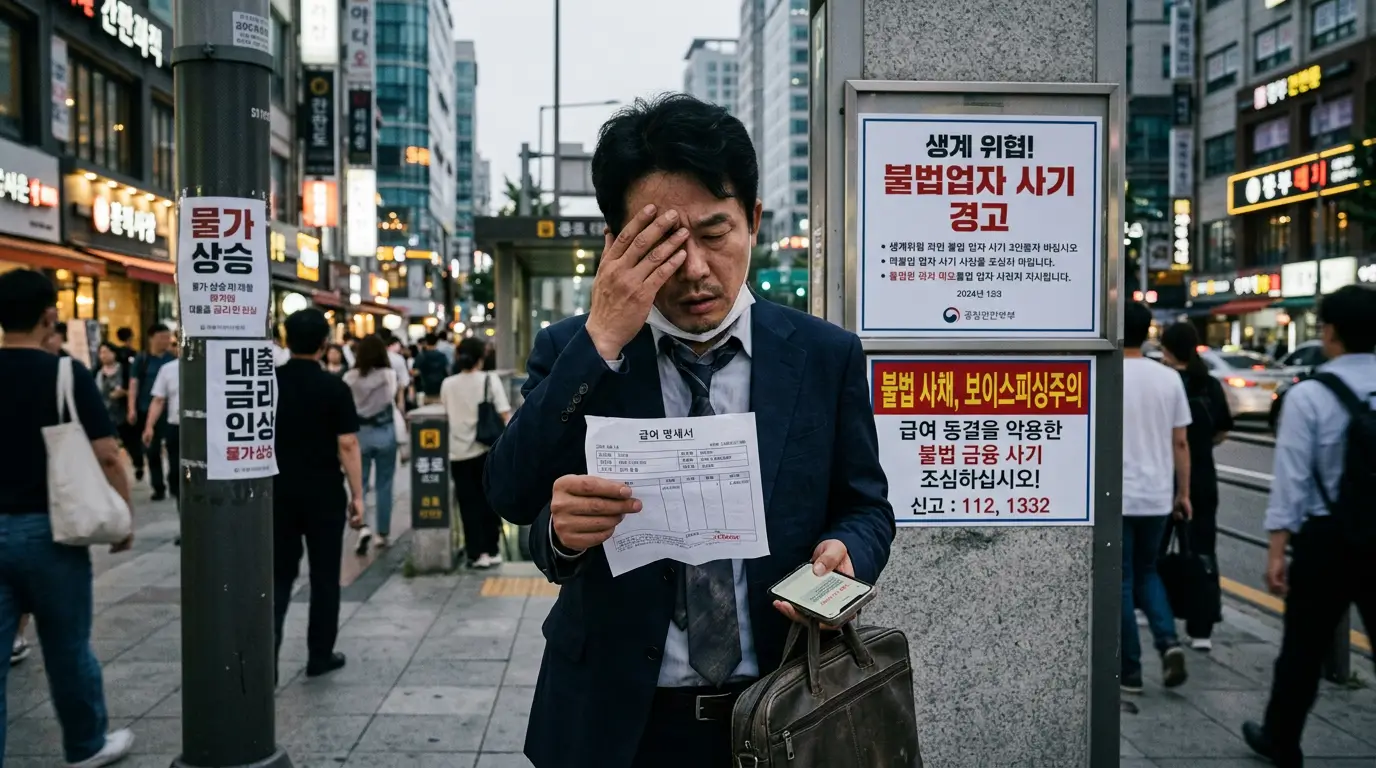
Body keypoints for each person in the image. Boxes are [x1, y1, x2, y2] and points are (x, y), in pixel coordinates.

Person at [483, 94, 896, 768]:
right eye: (666, 243)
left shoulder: (823, 355)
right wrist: (561, 531)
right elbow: (510, 495)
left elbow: (867, 505)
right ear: (616, 243)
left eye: (714, 233)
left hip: (784, 707)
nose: (697, 270)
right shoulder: (576, 352)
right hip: (614, 722)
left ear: (754, 221)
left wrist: (848, 551)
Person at [0, 269, 134, 766]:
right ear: (48, 316)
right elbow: (107, 455)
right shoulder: (64, 373)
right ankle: (85, 746)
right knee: (67, 648)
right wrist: (123, 515)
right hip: (52, 533)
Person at [1243, 285, 1376, 767]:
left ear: (1330, 331)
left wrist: (1277, 549)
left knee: (1302, 647)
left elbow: (1292, 480)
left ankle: (1281, 739)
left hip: (1328, 540)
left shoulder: (1311, 395)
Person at [273, 309, 365, 681]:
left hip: (276, 491)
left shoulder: (267, 383)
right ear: (325, 344)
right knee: (325, 576)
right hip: (324, 492)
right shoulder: (334, 387)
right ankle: (319, 655)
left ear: (285, 339)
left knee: (278, 576)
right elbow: (347, 443)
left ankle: (268, 659)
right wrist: (358, 495)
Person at [1121, 302, 1192, 694]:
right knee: (1148, 572)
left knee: (1123, 579)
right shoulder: (1168, 379)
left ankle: (1130, 671)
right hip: (1156, 496)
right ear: (1149, 331)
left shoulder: (1109, 374)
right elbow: (1180, 442)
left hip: (1116, 495)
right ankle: (1168, 644)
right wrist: (1183, 493)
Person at [1159, 323, 1233, 650]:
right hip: (1204, 477)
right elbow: (1222, 429)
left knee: (1153, 551)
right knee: (1203, 551)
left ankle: (1155, 609)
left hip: (1166, 475)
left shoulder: (1167, 383)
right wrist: (1201, 446)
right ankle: (1201, 629)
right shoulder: (1210, 385)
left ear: (1167, 349)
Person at [442, 337, 511, 568]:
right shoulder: (489, 380)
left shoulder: (448, 384)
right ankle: (493, 550)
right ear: (481, 357)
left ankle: (476, 553)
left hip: (458, 453)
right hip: (486, 450)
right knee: (489, 500)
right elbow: (504, 413)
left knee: (467, 503)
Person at [343, 335, 402, 554]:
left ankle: (362, 527)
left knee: (360, 485)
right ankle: (383, 533)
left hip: (359, 435)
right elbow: (391, 399)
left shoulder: (350, 377)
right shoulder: (388, 375)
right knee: (384, 484)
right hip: (385, 432)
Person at [127, 323, 176, 498]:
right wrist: (131, 408)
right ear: (151, 338)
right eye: (162, 337)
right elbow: (134, 384)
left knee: (173, 449)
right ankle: (158, 486)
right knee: (152, 450)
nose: (166, 340)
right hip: (147, 410)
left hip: (170, 412)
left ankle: (174, 484)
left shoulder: (172, 359)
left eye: (168, 337)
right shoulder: (142, 360)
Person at [143, 346, 181, 528]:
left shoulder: (212, 365)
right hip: (177, 428)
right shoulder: (168, 369)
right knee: (178, 476)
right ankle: (186, 526)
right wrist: (149, 426)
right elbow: (158, 399)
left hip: (207, 429)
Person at [413, 334, 449, 406]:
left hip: (425, 388)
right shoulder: (442, 356)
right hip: (440, 388)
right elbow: (446, 371)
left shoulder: (421, 356)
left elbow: (415, 372)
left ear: (425, 342)